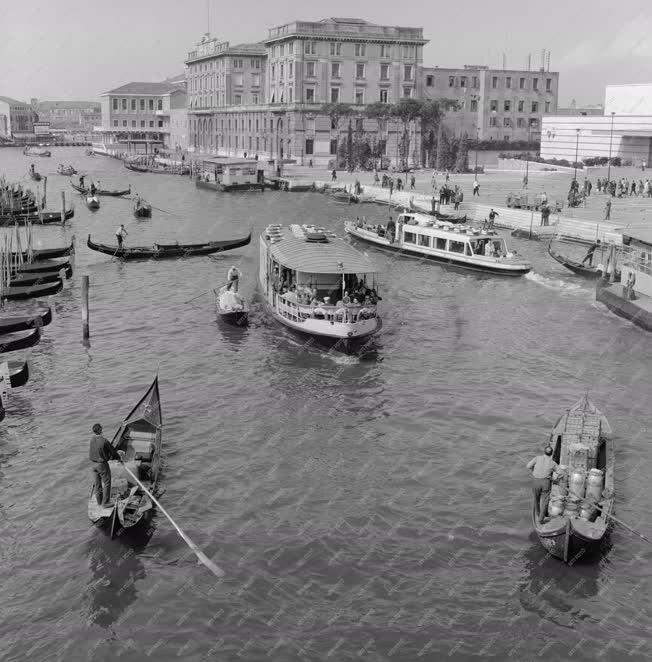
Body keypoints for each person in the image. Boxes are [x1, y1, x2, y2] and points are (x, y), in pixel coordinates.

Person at [89, 423, 123, 507]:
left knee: (97, 483)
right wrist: (118, 458)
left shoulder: (92, 439)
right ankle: (105, 503)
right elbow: (113, 452)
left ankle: (99, 501)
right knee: (107, 483)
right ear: (100, 430)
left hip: (93, 464)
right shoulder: (104, 441)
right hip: (102, 465)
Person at [526, 446, 559, 524]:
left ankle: (537, 513)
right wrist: (554, 479)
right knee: (544, 501)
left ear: (544, 452)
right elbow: (560, 473)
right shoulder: (553, 463)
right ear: (551, 454)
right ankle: (541, 519)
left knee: (536, 499)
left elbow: (528, 466)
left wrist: (534, 470)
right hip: (545, 482)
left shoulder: (537, 458)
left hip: (536, 481)